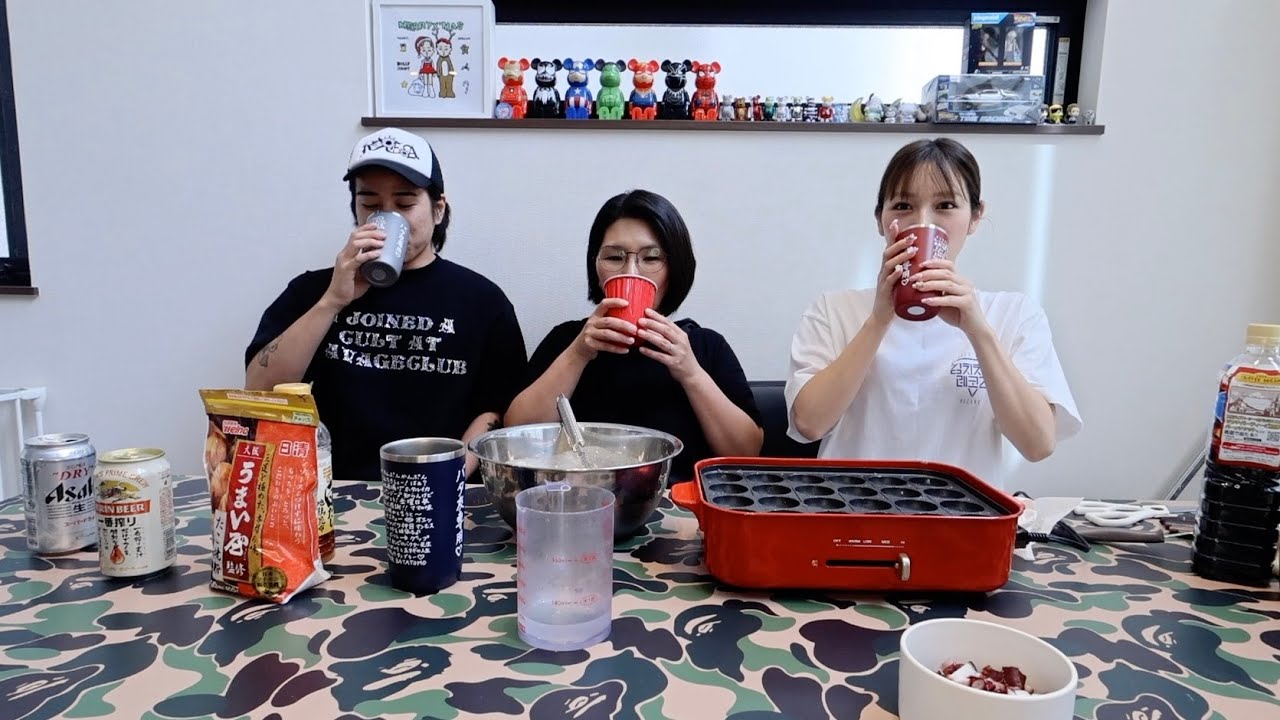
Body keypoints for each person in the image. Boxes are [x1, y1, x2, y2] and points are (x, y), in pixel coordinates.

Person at [785, 138, 1080, 487]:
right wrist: (879, 319)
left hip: (964, 513)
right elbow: (810, 423)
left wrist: (978, 332)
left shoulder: (1013, 314)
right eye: (903, 206)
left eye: (945, 205)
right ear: (881, 220)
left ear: (975, 216)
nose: (922, 222)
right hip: (852, 508)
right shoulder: (833, 309)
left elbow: (1038, 443)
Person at [245, 128, 527, 481]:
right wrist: (332, 301)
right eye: (371, 204)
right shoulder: (313, 291)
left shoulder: (481, 300)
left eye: (405, 203)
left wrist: (451, 476)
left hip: (440, 485)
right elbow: (260, 392)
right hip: (335, 487)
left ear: (438, 209)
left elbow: (499, 409)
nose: (388, 215)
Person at [506, 189, 763, 481]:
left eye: (651, 258)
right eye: (614, 257)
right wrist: (578, 354)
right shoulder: (567, 340)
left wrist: (691, 373)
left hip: (677, 503)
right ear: (596, 267)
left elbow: (746, 452)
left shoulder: (705, 346)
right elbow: (516, 437)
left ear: (674, 270)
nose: (631, 271)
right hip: (581, 498)